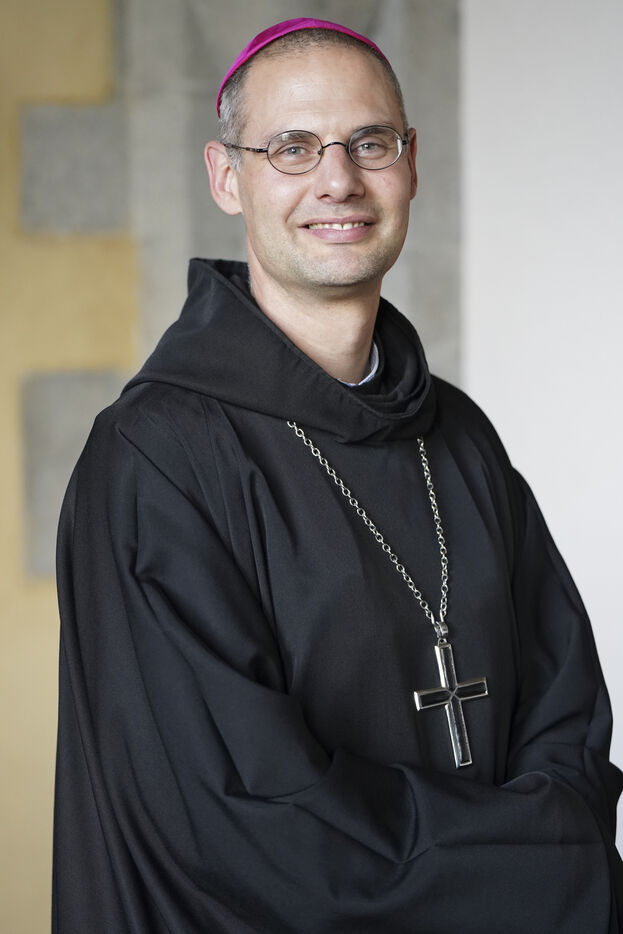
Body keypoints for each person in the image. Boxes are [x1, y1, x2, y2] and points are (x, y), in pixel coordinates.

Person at [52, 17, 623, 933]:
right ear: (226, 178)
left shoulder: (460, 436)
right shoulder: (156, 459)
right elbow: (236, 819)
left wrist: (543, 844)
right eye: (291, 147)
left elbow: (568, 714)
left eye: (370, 142)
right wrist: (538, 860)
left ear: (410, 164)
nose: (338, 180)